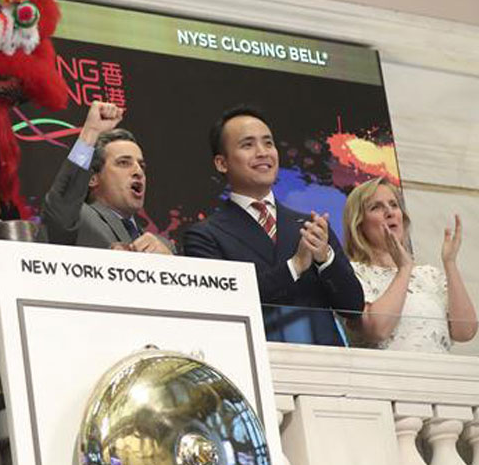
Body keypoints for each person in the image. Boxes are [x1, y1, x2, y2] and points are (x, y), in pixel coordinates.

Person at [183, 105, 364, 345]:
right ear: (222, 163)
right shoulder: (205, 236)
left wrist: (325, 259)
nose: (262, 152)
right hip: (256, 358)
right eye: (248, 145)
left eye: (268, 143)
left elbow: (353, 307)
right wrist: (295, 266)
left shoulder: (311, 226)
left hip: (324, 361)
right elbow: (223, 306)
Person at [341, 177, 477, 352]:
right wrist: (404, 268)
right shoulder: (352, 273)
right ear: (358, 224)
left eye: (394, 205)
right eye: (376, 207)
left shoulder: (429, 275)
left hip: (438, 369)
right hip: (384, 370)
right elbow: (378, 330)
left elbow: (465, 332)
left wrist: (450, 264)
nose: (389, 212)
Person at [42, 102, 171, 253]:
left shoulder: (164, 245)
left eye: (141, 165)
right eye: (123, 163)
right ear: (92, 178)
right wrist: (91, 132)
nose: (138, 171)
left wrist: (169, 262)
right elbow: (62, 202)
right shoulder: (77, 217)